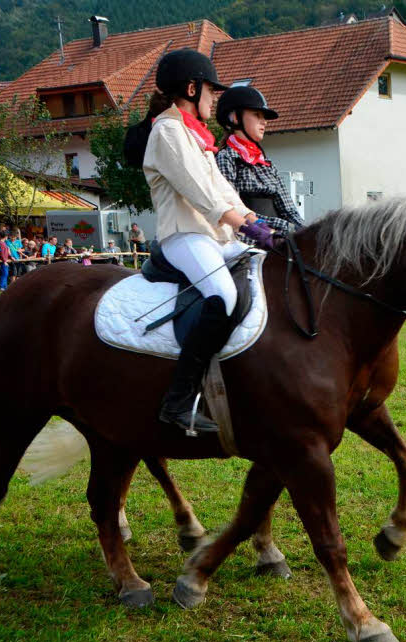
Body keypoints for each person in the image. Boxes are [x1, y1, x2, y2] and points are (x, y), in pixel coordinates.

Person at [140, 48, 276, 433]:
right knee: (223, 295)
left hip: (214, 236)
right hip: (184, 236)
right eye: (210, 91)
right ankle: (178, 403)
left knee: (265, 270)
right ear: (190, 88)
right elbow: (200, 193)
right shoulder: (167, 131)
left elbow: (224, 190)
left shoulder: (196, 137)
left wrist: (256, 223)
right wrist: (245, 226)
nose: (214, 98)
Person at [214, 86, 303, 231]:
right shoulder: (226, 158)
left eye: (264, 117)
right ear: (235, 118)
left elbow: (288, 209)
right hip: (248, 235)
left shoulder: (267, 164)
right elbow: (235, 209)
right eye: (257, 115)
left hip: (279, 236)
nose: (264, 122)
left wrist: (304, 230)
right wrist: (283, 226)